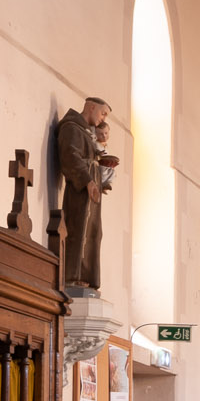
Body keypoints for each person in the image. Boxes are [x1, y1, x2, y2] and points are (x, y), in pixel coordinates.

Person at [55, 97, 114, 293]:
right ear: (91, 107)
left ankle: (86, 276)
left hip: (91, 193)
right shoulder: (71, 127)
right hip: (79, 193)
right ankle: (73, 275)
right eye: (102, 113)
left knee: (93, 233)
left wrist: (100, 177)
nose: (103, 119)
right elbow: (70, 156)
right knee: (78, 230)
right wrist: (88, 180)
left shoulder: (87, 134)